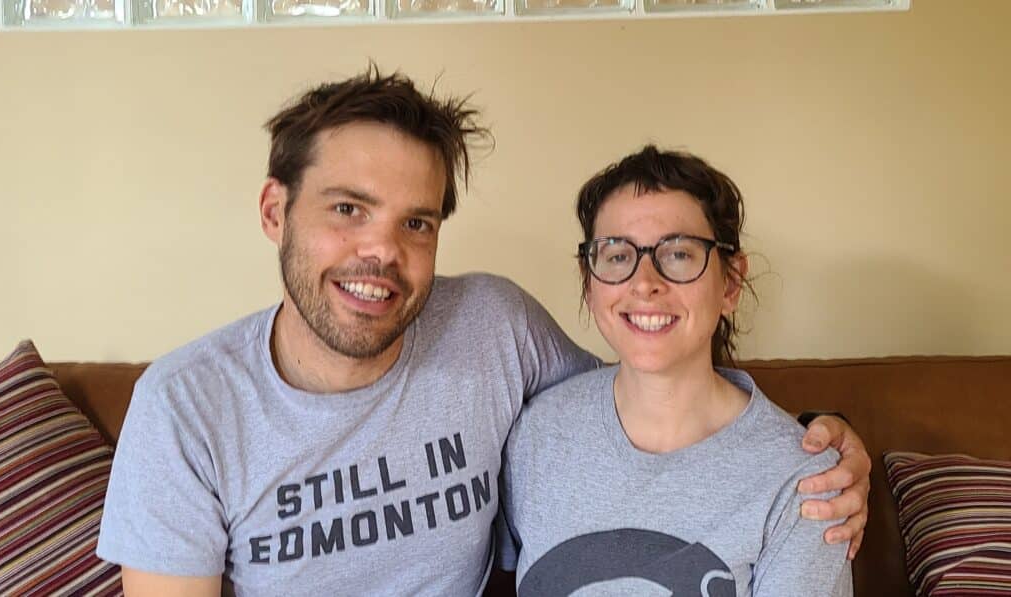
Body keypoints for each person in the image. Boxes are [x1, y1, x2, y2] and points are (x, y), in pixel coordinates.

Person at [96, 67, 869, 596]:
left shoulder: (493, 327)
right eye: (346, 208)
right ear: (275, 211)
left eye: (416, 222)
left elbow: (652, 389)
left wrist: (814, 440)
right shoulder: (184, 406)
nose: (381, 252)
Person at [499, 146, 853, 596]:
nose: (645, 282)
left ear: (730, 283)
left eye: (679, 254)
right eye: (616, 255)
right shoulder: (536, 434)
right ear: (590, 285)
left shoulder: (807, 481)